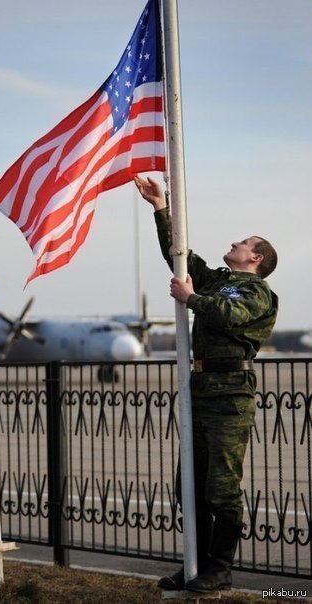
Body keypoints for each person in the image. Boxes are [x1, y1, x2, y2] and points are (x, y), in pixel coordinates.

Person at [134, 175, 278, 593]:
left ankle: (219, 569)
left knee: (221, 489)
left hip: (230, 397)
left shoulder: (259, 292)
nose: (235, 244)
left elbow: (228, 315)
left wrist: (190, 299)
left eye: (243, 243)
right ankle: (194, 566)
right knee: (190, 489)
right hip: (200, 392)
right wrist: (161, 208)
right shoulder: (217, 279)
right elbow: (178, 257)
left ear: (256, 258)